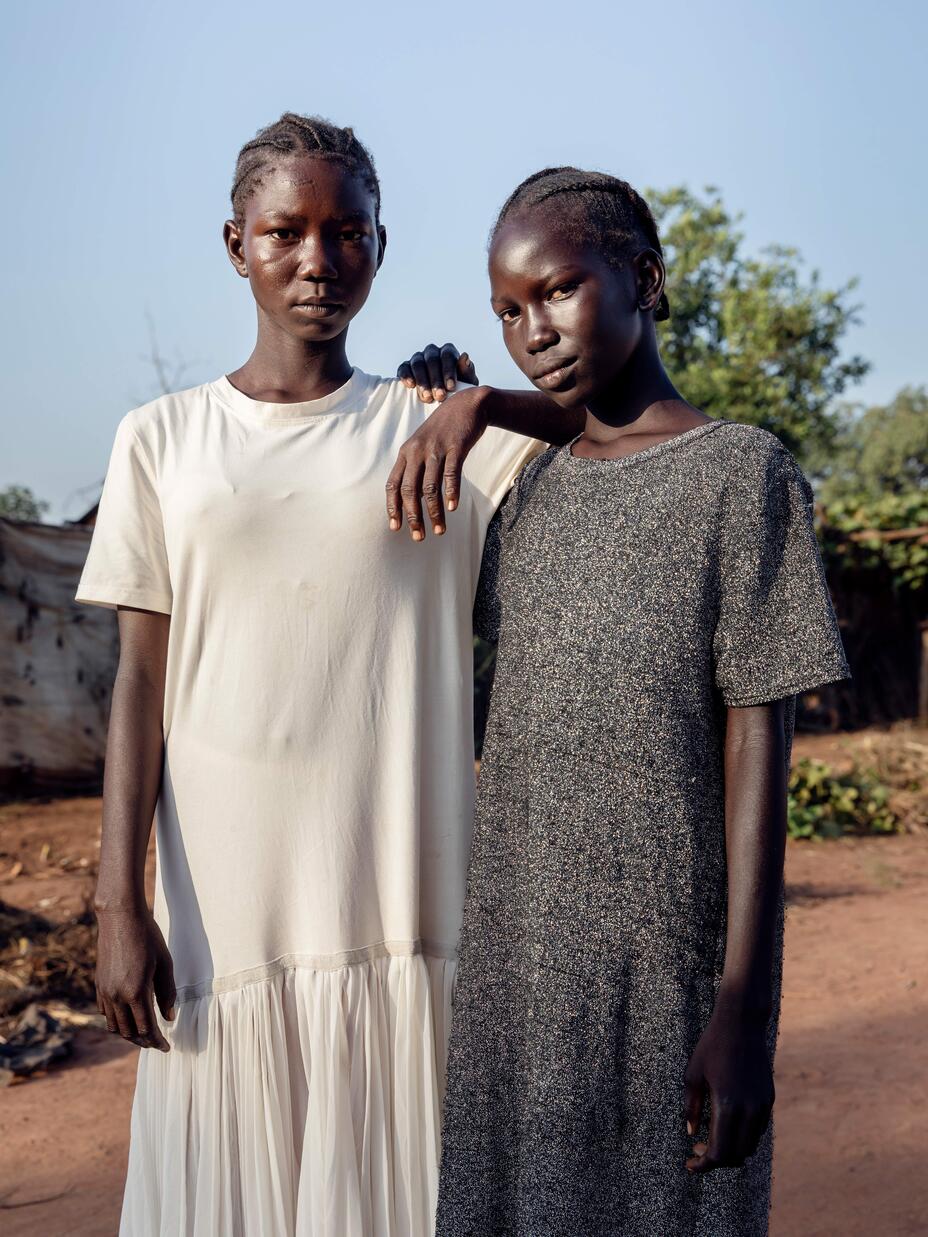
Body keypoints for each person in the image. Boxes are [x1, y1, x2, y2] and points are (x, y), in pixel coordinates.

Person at [76, 115, 573, 1237]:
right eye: (286, 231)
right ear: (235, 242)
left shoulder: (431, 431)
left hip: (401, 904)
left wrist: (483, 400)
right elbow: (139, 686)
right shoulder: (161, 440)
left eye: (346, 231)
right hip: (226, 918)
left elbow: (617, 429)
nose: (317, 259)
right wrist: (116, 900)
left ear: (380, 248)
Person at [390, 169, 850, 1236]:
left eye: (554, 291)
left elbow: (756, 756)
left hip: (665, 974)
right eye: (507, 312)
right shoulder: (533, 495)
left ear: (642, 277)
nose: (530, 330)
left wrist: (746, 1009)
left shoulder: (741, 474)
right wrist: (474, 402)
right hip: (517, 971)